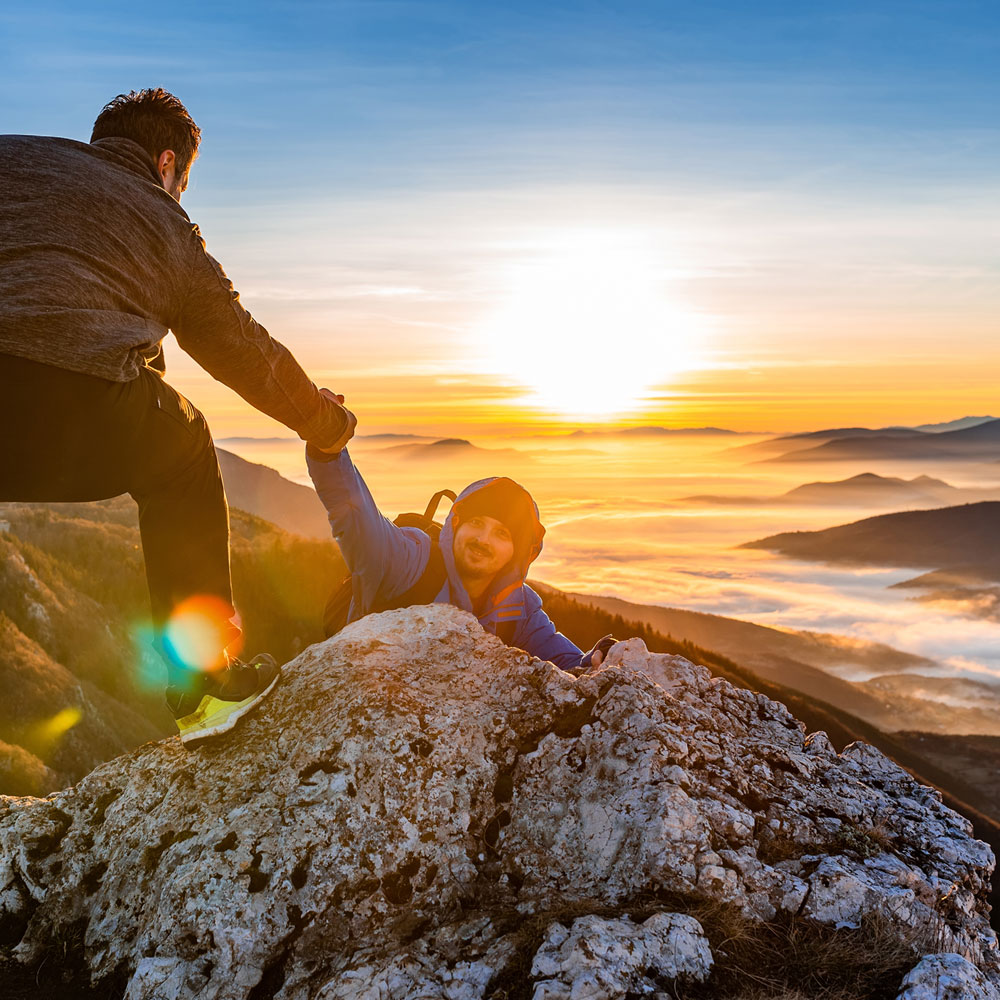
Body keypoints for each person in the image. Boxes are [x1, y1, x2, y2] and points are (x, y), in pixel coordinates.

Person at [0, 89, 355, 746]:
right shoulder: (165, 221)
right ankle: (203, 684)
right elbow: (247, 352)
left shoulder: (13, 157)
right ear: (167, 163)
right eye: (184, 183)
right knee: (185, 448)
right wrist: (327, 425)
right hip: (69, 405)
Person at [307, 393, 613, 673]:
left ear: (517, 552)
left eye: (501, 533)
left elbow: (567, 663)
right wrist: (329, 451)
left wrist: (601, 658)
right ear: (456, 524)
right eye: (476, 522)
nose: (483, 539)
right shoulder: (411, 562)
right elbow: (358, 516)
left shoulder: (519, 608)